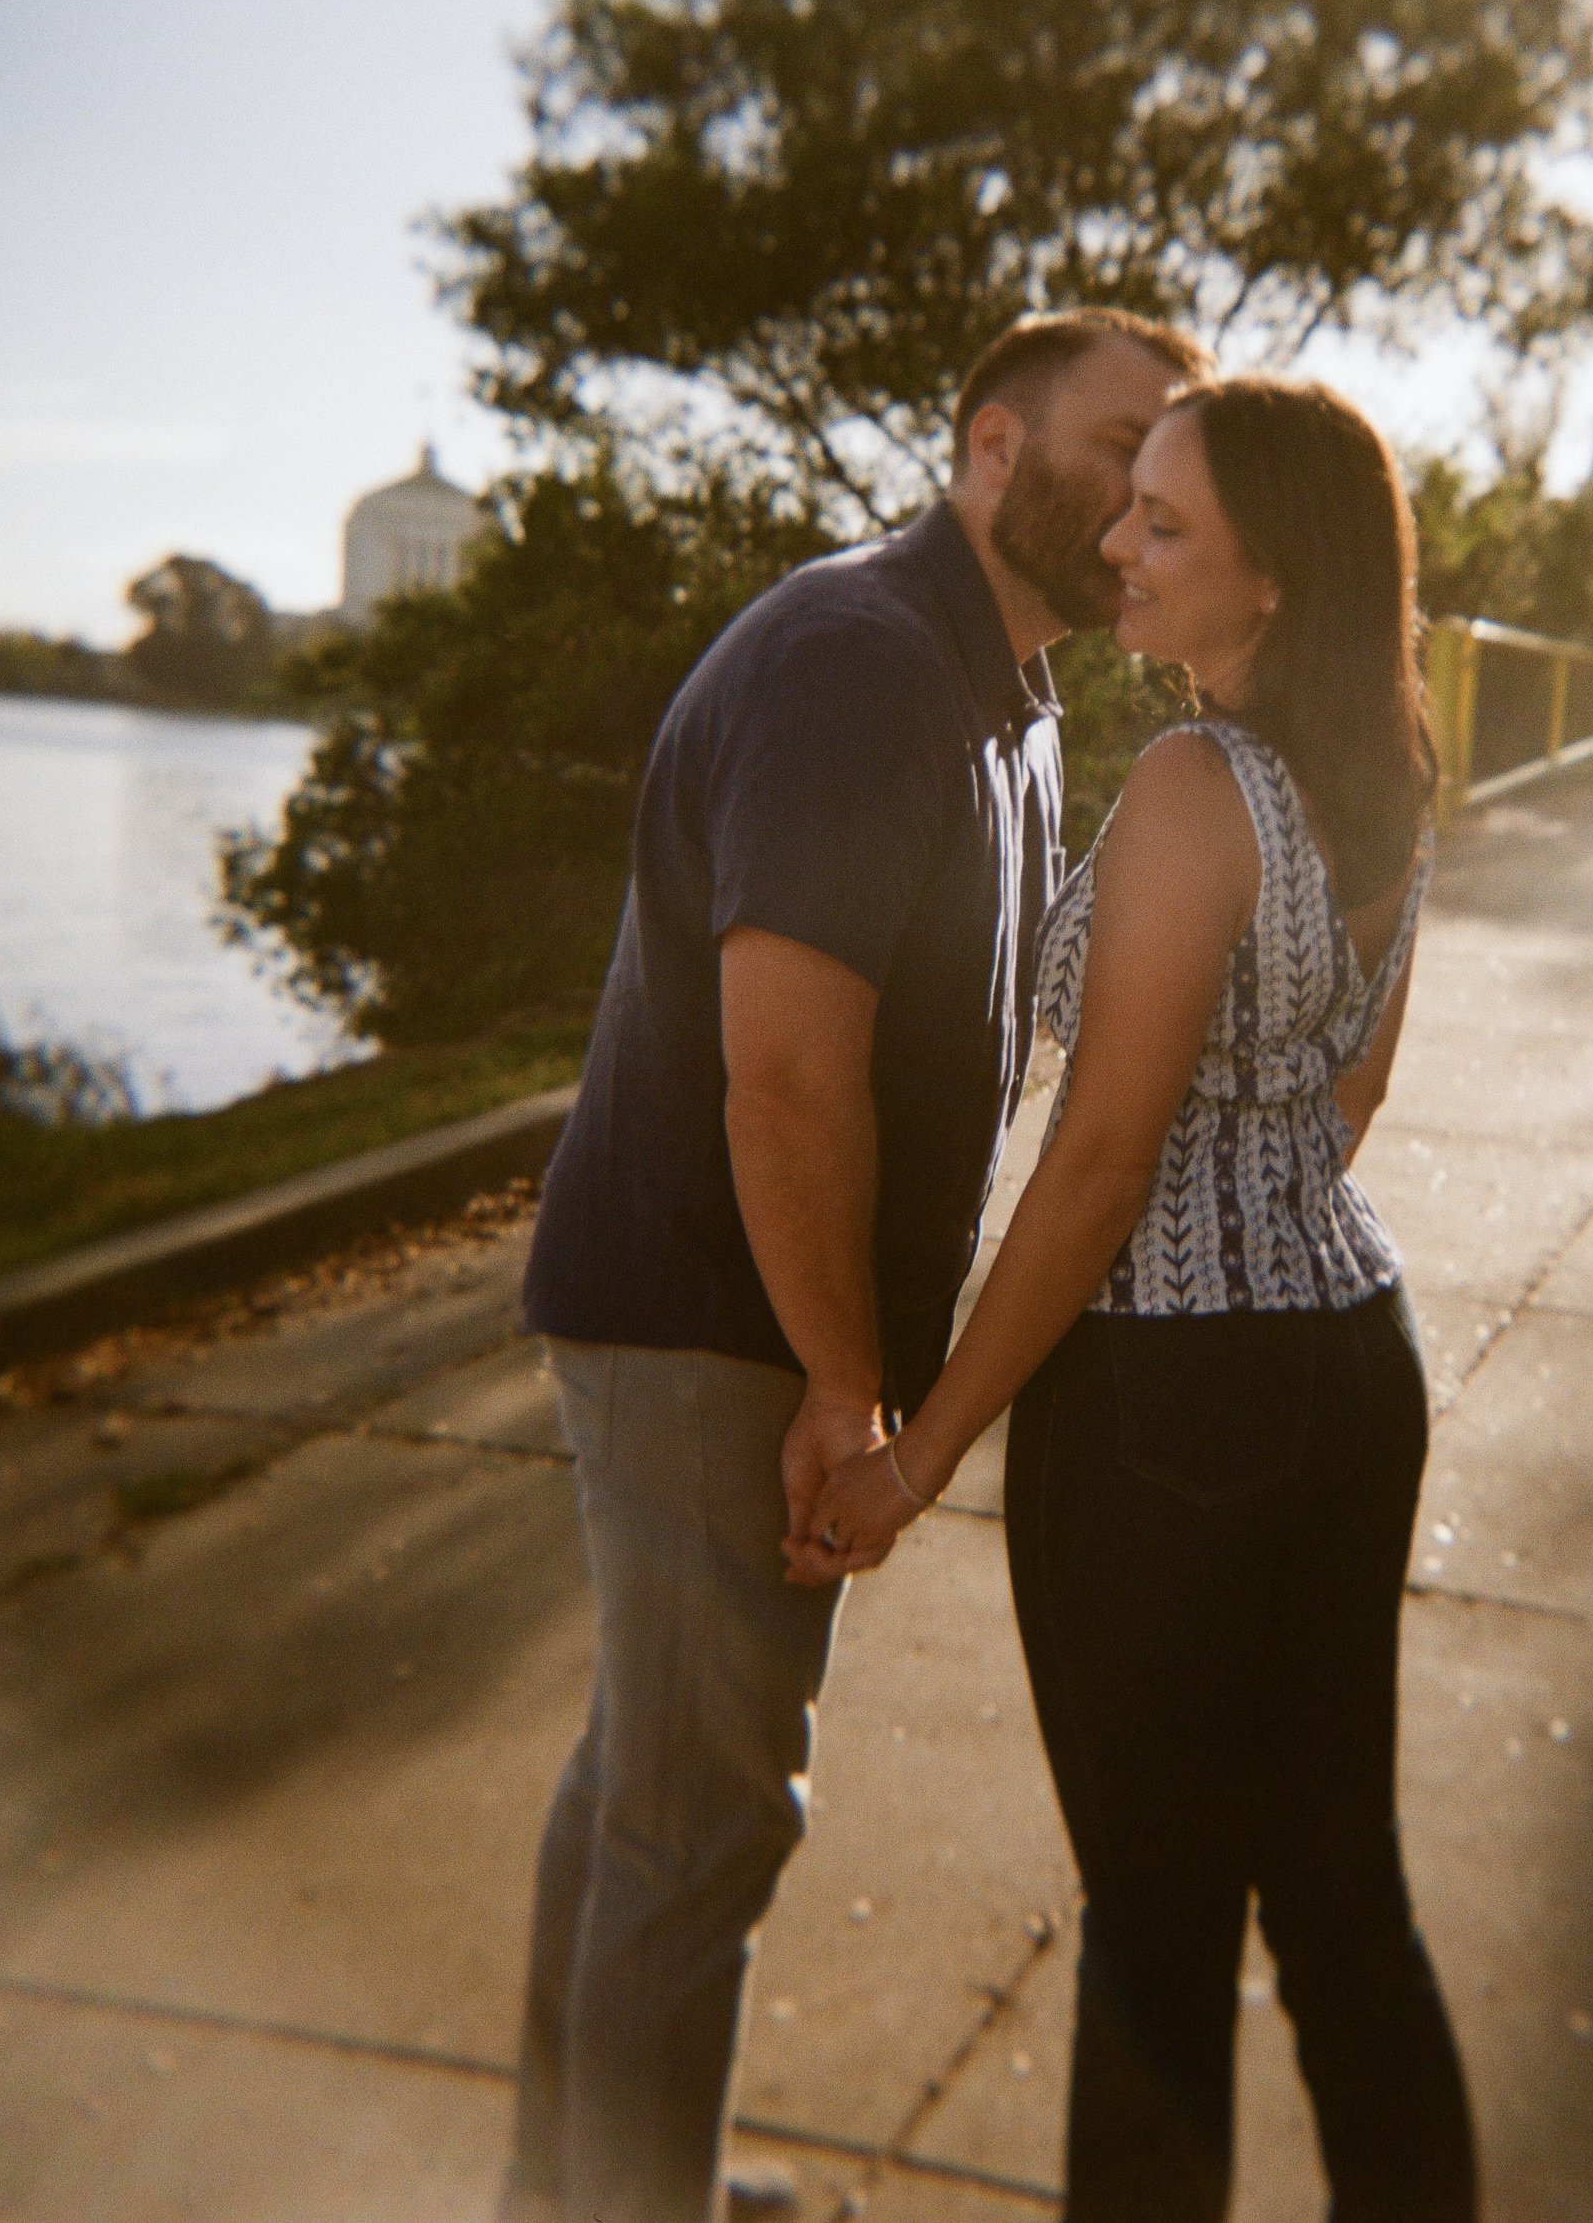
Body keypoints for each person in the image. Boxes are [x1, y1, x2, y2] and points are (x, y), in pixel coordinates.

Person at [503, 307, 1214, 2223]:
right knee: (705, 1818)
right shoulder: (860, 663)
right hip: (712, 1327)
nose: (1147, 493)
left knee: (651, 1782)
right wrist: (843, 1379)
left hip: (752, 1319)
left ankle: (582, 2189)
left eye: (1172, 462)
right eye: (1121, 443)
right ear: (993, 448)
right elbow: (789, 1078)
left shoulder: (1013, 688)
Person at [796, 375, 1480, 2221]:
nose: (1117, 544)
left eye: (1164, 523)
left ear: (1277, 577)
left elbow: (1099, 1167)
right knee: (1343, 1899)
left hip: (1172, 1411)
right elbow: (1352, 1090)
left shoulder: (1196, 787)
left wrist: (918, 1453)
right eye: (1129, 508)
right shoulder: (1391, 779)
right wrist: (1260, 1224)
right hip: (1354, 1352)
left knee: (1158, 1929)